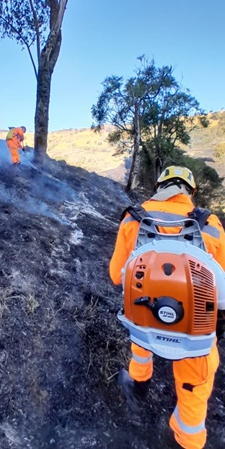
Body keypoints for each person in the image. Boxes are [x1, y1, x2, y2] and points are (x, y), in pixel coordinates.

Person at [109, 166, 225, 448]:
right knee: (194, 385)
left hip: (145, 317)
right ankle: (187, 439)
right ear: (190, 191)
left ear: (159, 186)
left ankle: (138, 387)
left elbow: (116, 276)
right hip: (194, 327)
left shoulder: (133, 218)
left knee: (140, 321)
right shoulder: (211, 224)